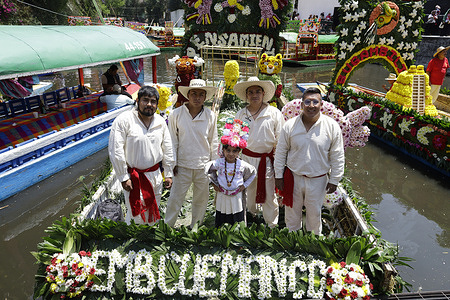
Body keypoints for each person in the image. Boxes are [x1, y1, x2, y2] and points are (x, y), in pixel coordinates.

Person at [274, 87, 345, 234]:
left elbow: (337, 155)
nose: (311, 105)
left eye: (315, 102)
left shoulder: (331, 127)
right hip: (293, 177)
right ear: (301, 105)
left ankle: (312, 243)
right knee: (292, 213)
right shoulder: (290, 126)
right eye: (307, 102)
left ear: (321, 105)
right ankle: (292, 239)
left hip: (318, 180)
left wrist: (334, 180)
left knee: (314, 214)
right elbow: (280, 152)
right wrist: (278, 176)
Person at [108, 85, 174, 225]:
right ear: (137, 101)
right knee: (136, 213)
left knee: (154, 208)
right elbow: (116, 150)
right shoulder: (124, 120)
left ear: (156, 104)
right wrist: (123, 177)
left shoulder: (160, 122)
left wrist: (168, 173)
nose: (149, 104)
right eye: (145, 100)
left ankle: (150, 238)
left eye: (153, 101)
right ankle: (136, 241)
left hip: (155, 174)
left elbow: (167, 147)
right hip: (134, 178)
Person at [165, 79, 219, 228]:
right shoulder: (176, 114)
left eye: (201, 94)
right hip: (182, 164)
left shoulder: (210, 116)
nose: (197, 97)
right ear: (188, 95)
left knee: (201, 200)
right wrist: (172, 164)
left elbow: (213, 142)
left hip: (203, 165)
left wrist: (213, 167)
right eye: (194, 93)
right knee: (175, 198)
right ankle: (167, 226)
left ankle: (196, 226)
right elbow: (172, 141)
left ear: (205, 97)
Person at [234, 77, 285, 228]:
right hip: (246, 158)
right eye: (250, 92)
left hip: (266, 159)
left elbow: (281, 139)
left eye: (257, 91)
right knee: (249, 189)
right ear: (246, 95)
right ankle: (252, 215)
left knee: (269, 193)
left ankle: (272, 224)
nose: (254, 95)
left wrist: (279, 162)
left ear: (263, 93)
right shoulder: (241, 114)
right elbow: (234, 138)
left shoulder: (273, 113)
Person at [206, 118, 256, 227]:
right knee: (222, 216)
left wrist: (245, 185)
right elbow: (208, 169)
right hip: (222, 194)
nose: (231, 154)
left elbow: (253, 173)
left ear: (239, 152)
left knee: (236, 217)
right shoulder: (219, 163)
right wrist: (214, 183)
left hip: (236, 196)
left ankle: (238, 239)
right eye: (228, 150)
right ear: (223, 150)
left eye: (234, 151)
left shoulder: (242, 164)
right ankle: (222, 238)